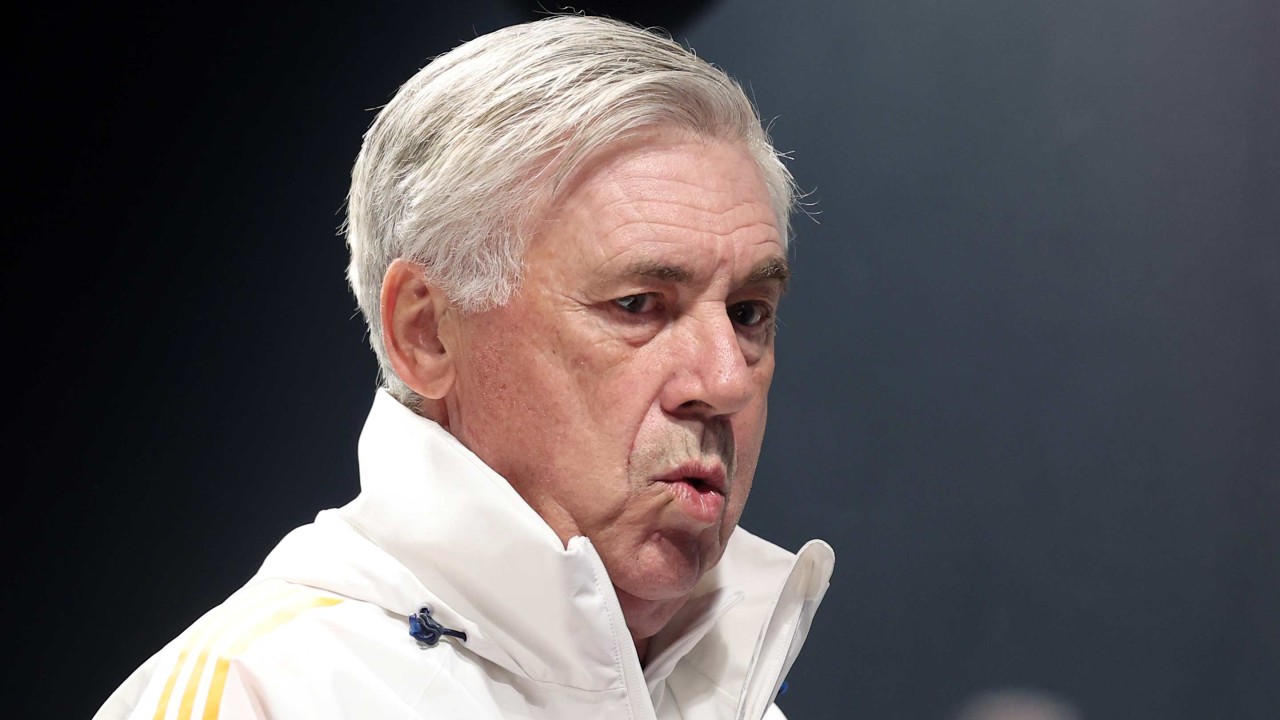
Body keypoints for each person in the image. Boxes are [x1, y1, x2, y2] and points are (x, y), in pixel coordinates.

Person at [96, 15, 834, 720]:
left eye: (748, 314)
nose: (726, 381)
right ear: (426, 334)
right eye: (638, 304)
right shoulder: (262, 693)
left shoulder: (740, 705)